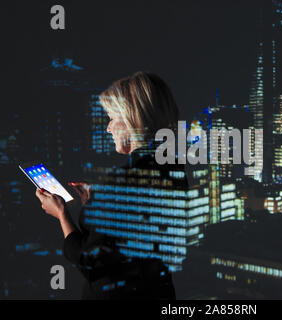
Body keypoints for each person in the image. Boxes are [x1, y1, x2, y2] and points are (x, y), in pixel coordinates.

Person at [35, 72, 182, 299]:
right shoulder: (171, 169)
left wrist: (62, 214)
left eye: (112, 118)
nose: (108, 128)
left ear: (132, 119)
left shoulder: (125, 179)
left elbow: (90, 262)